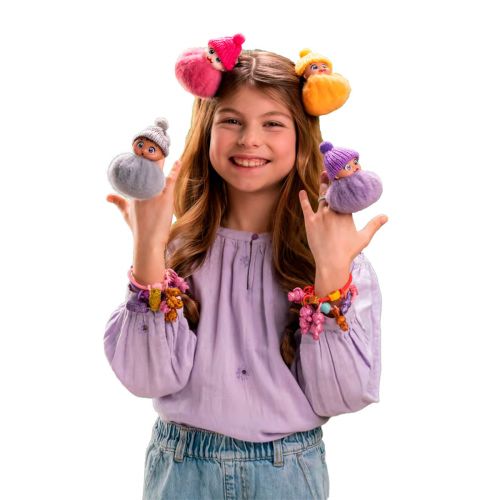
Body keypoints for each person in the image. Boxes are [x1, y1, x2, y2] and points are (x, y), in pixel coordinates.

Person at [104, 48, 388, 500]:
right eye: (232, 120)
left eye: (272, 123)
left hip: (288, 471)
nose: (250, 139)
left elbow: (343, 396)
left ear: (301, 135)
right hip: (182, 469)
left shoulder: (333, 254)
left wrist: (332, 275)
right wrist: (148, 249)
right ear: (207, 130)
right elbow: (147, 379)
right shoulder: (178, 249)